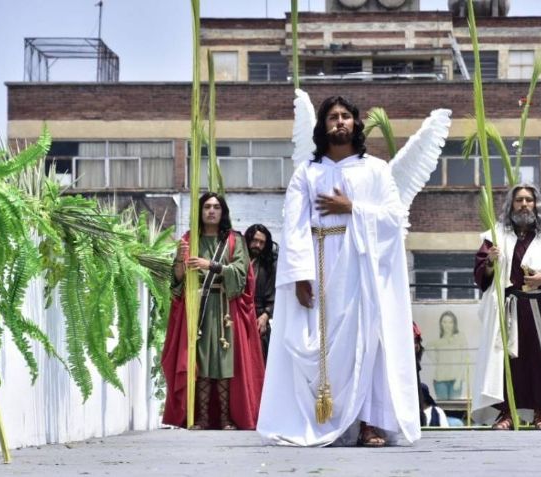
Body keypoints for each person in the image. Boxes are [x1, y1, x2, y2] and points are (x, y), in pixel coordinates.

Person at [257, 96, 420, 447]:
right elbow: (295, 225)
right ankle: (322, 420)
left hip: (362, 271)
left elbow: (394, 219)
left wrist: (352, 208)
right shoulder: (308, 172)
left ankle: (369, 423)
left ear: (356, 124)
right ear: (323, 126)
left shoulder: (376, 170)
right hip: (319, 269)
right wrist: (300, 275)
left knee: (368, 343)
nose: (340, 122)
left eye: (346, 116)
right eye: (333, 117)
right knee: (321, 348)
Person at [471, 184, 541, 430]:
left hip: (539, 308)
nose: (524, 204)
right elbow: (481, 274)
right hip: (509, 308)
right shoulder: (496, 234)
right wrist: (490, 260)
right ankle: (507, 414)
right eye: (519, 200)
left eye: (528, 200)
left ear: (536, 204)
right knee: (508, 361)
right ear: (511, 204)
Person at [161, 192, 265, 430]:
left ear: (223, 211)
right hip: (198, 309)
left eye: (216, 207)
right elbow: (177, 282)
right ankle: (202, 418)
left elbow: (241, 274)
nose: (211, 211)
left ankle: (227, 418)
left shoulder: (233, 240)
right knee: (200, 362)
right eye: (207, 206)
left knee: (225, 362)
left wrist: (211, 265)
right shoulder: (190, 240)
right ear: (200, 211)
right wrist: (179, 260)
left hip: (225, 309)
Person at [245, 223, 276, 362]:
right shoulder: (238, 261)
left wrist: (265, 316)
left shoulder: (270, 265)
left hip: (259, 317)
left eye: (261, 242)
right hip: (238, 316)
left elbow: (275, 296)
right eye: (254, 241)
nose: (257, 245)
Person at [429, 311, 469, 401]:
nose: (447, 325)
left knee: (454, 409)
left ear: (454, 324)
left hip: (456, 380)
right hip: (440, 380)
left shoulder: (460, 337)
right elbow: (427, 347)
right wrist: (434, 360)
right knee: (442, 409)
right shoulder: (438, 340)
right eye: (444, 322)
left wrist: (459, 380)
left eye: (450, 322)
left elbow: (464, 358)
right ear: (441, 323)